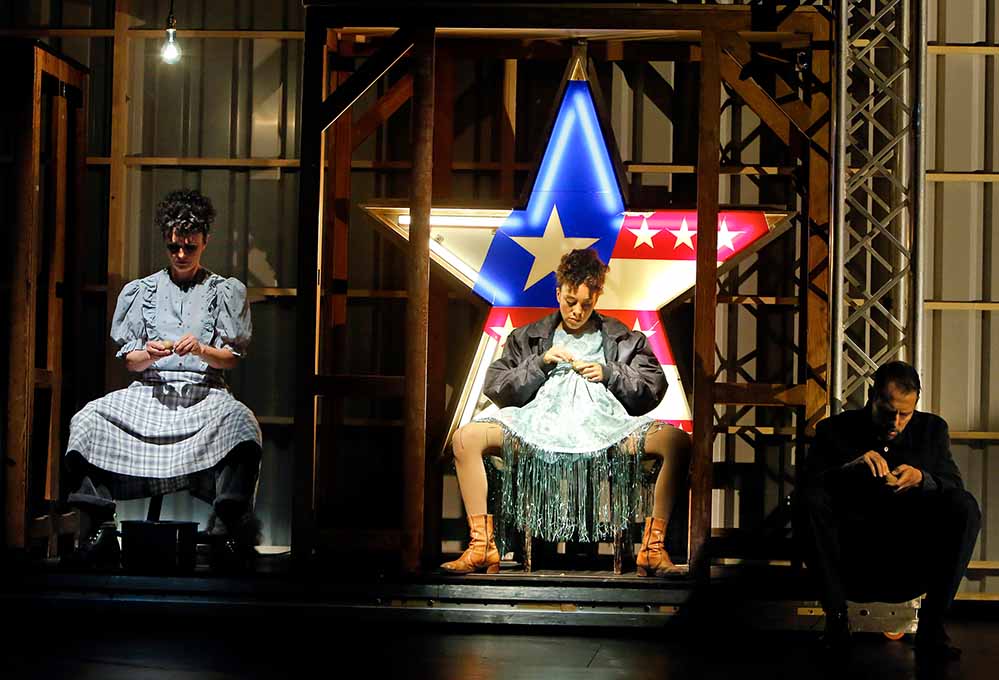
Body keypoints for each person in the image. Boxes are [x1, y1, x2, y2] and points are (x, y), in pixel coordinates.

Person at [442, 248, 691, 576]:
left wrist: (609, 372)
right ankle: (481, 547)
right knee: (465, 439)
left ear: (598, 295)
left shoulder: (623, 338)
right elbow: (497, 385)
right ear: (558, 292)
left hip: (607, 431)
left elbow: (652, 386)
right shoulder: (528, 338)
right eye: (570, 301)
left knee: (677, 443)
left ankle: (652, 549)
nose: (576, 311)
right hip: (536, 428)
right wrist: (540, 363)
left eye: (586, 304)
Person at [63, 189, 263, 572]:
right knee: (87, 420)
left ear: (205, 241)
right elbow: (131, 363)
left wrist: (202, 350)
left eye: (190, 246)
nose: (182, 255)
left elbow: (232, 359)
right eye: (174, 247)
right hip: (151, 392)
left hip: (204, 395)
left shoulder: (223, 291)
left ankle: (225, 531)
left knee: (243, 426)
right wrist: (149, 355)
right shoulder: (143, 291)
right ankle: (99, 526)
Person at [793, 361, 981, 663]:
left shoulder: (932, 430)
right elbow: (804, 490)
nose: (895, 422)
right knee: (809, 500)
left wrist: (923, 479)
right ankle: (836, 622)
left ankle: (932, 627)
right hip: (850, 561)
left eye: (905, 414)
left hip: (908, 560)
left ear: (916, 404)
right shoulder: (834, 430)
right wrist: (848, 469)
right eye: (888, 411)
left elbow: (954, 486)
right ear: (872, 397)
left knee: (965, 506)